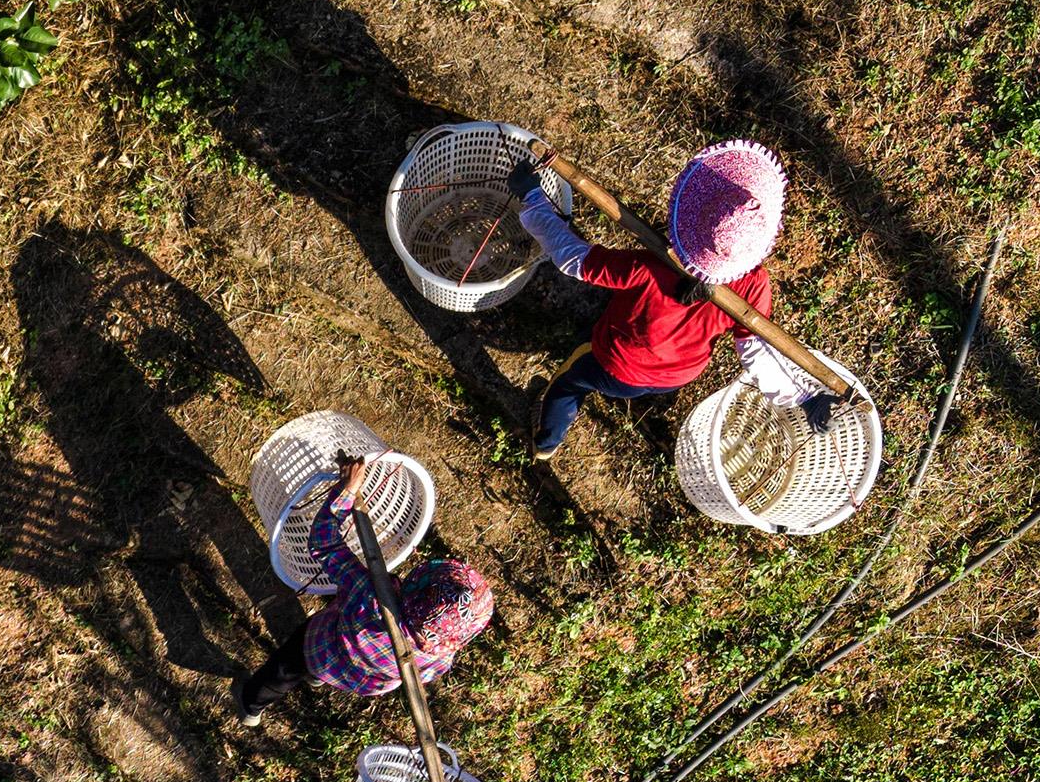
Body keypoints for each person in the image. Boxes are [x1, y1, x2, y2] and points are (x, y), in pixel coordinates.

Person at [507, 138, 836, 458]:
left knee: (569, 381)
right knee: (623, 378)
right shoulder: (752, 284)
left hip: (618, 365)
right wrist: (804, 399)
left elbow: (574, 259)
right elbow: (757, 350)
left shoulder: (649, 268)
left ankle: (545, 444)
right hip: (679, 373)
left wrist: (534, 199)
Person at [231, 462, 496, 723]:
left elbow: (324, 543)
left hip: (319, 647)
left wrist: (346, 492)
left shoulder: (372, 595)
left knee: (283, 671)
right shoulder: (442, 656)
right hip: (360, 679)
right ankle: (315, 677)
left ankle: (249, 704)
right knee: (316, 670)